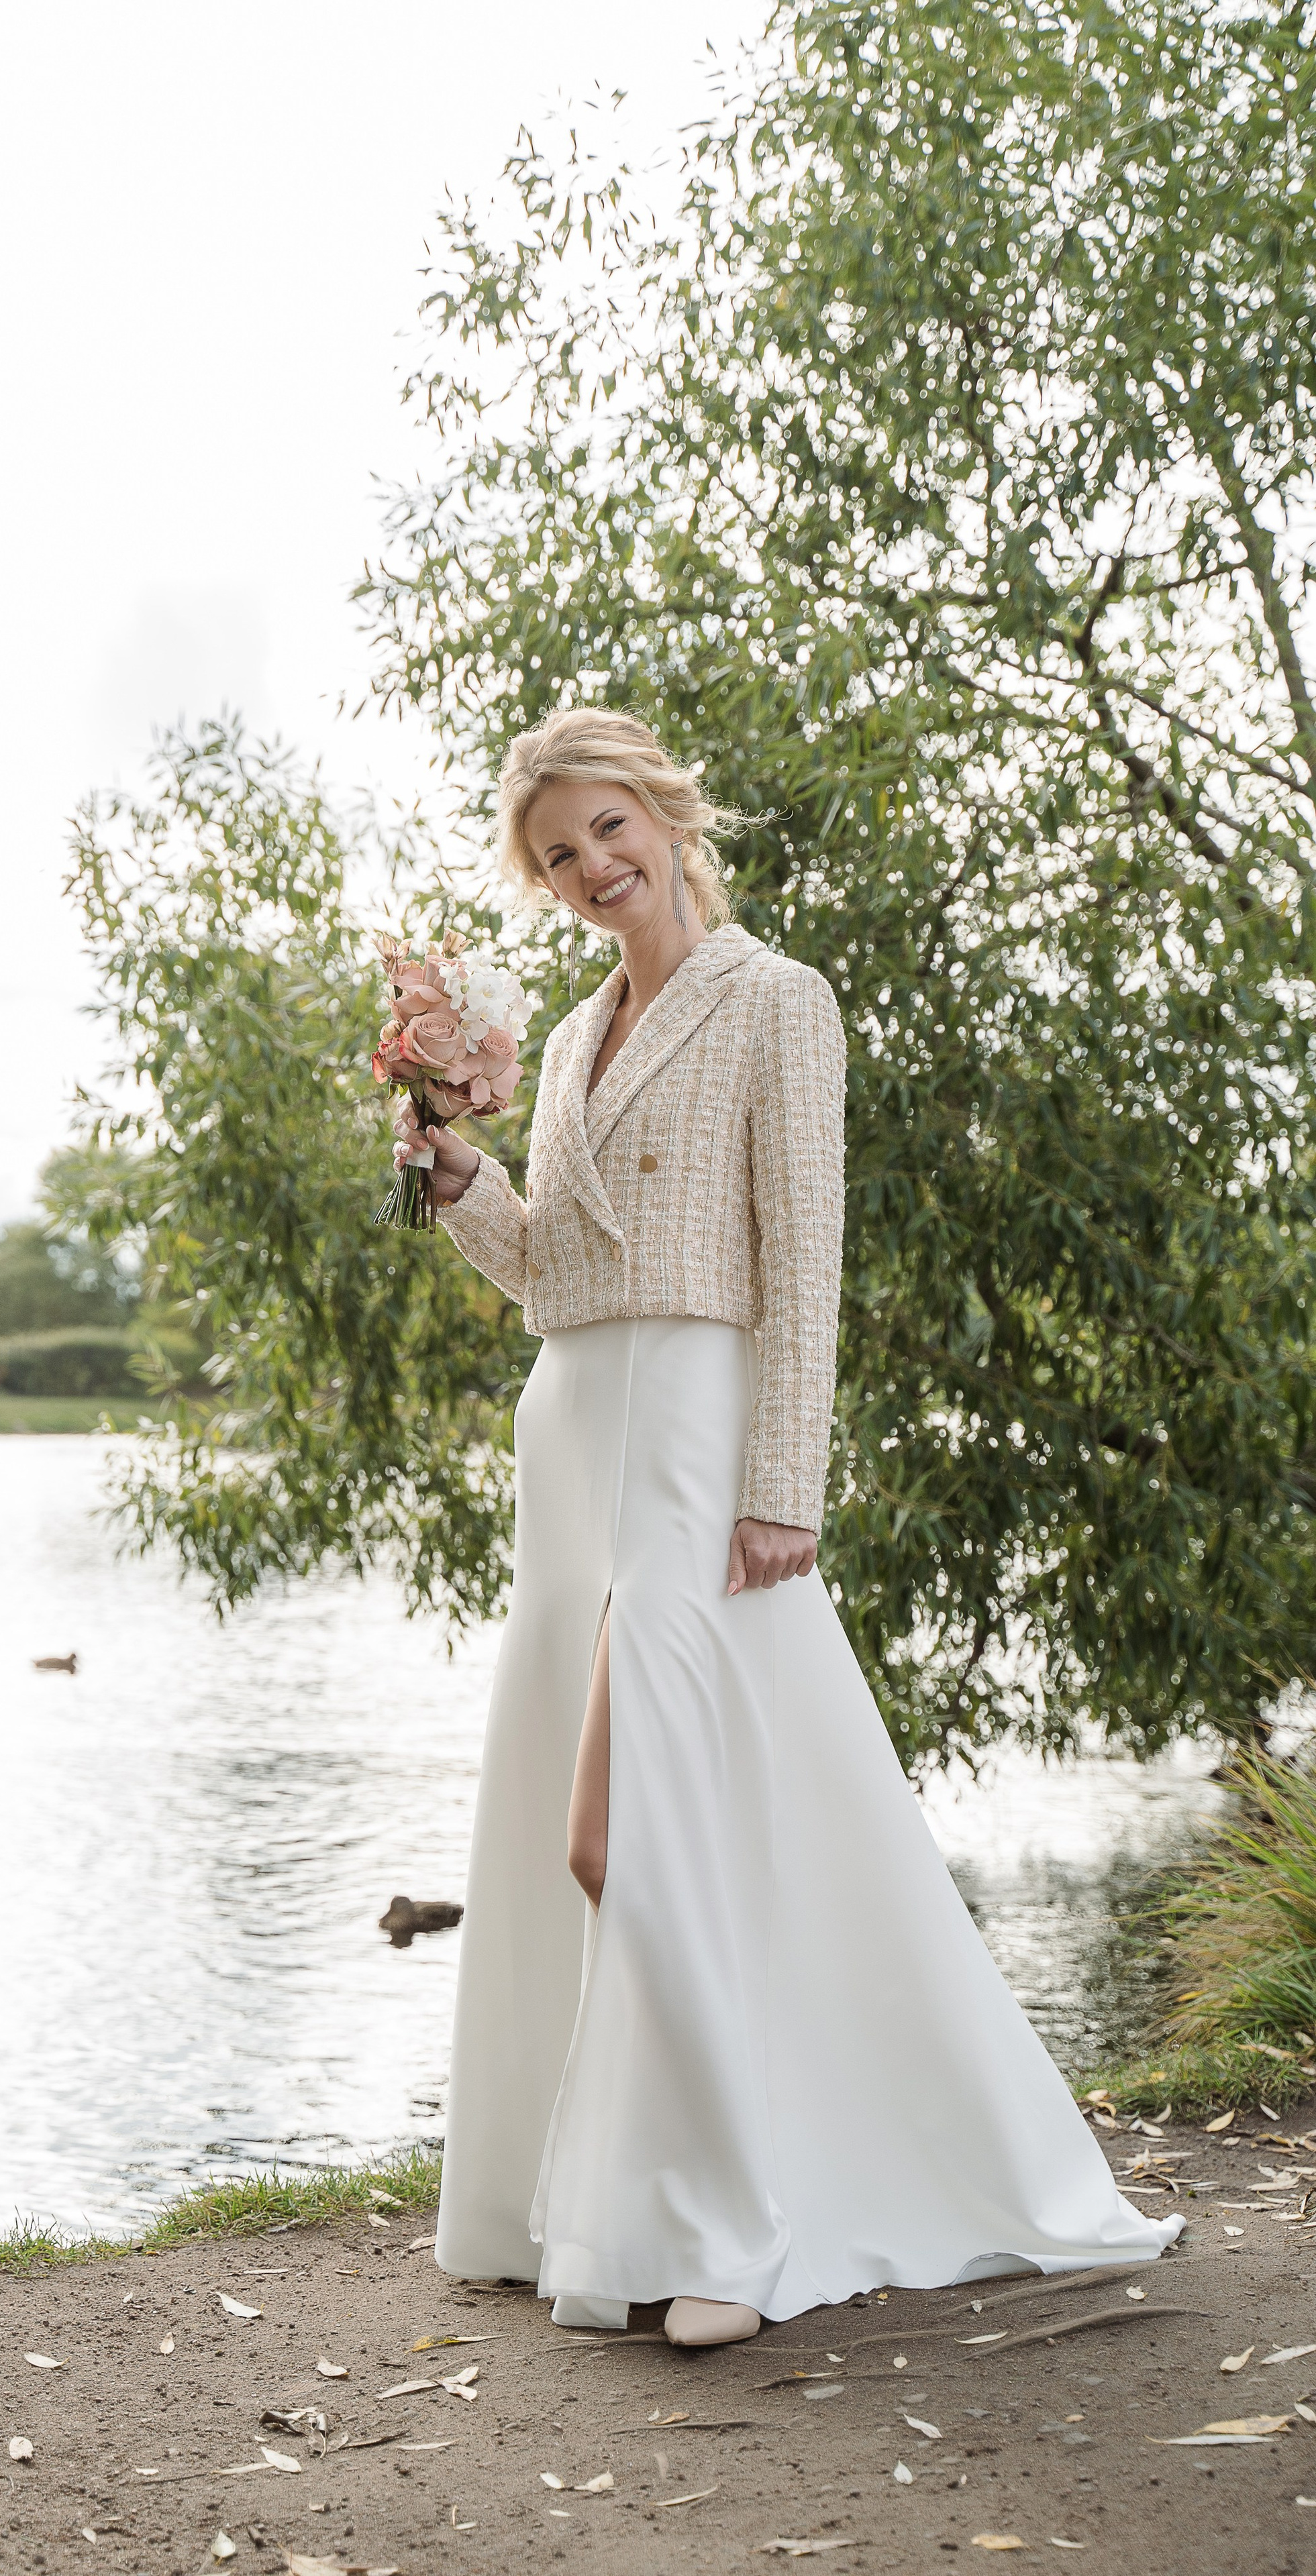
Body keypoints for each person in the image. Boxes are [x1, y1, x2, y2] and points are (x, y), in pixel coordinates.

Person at [394, 708, 1180, 2349]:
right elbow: (551, 1268)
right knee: (604, 1812)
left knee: (630, 1830)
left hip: (691, 1428)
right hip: (568, 1427)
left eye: (605, 827)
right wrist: (455, 1179)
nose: (588, 867)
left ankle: (721, 2232)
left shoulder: (777, 1002)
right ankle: (571, 2196)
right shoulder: (561, 1039)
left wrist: (782, 1486)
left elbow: (799, 1255)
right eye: (555, 855)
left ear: (665, 814)